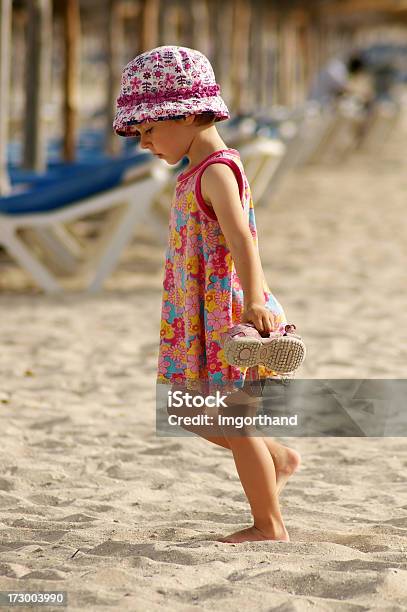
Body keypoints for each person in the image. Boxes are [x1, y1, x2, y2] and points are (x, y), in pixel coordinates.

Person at [113, 46, 301, 544]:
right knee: (184, 410)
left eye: (151, 129)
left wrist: (256, 301)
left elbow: (242, 239)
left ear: (192, 113)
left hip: (229, 313)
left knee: (236, 422)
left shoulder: (217, 170)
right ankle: (277, 457)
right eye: (140, 133)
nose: (145, 141)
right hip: (195, 314)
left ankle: (269, 526)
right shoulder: (195, 171)